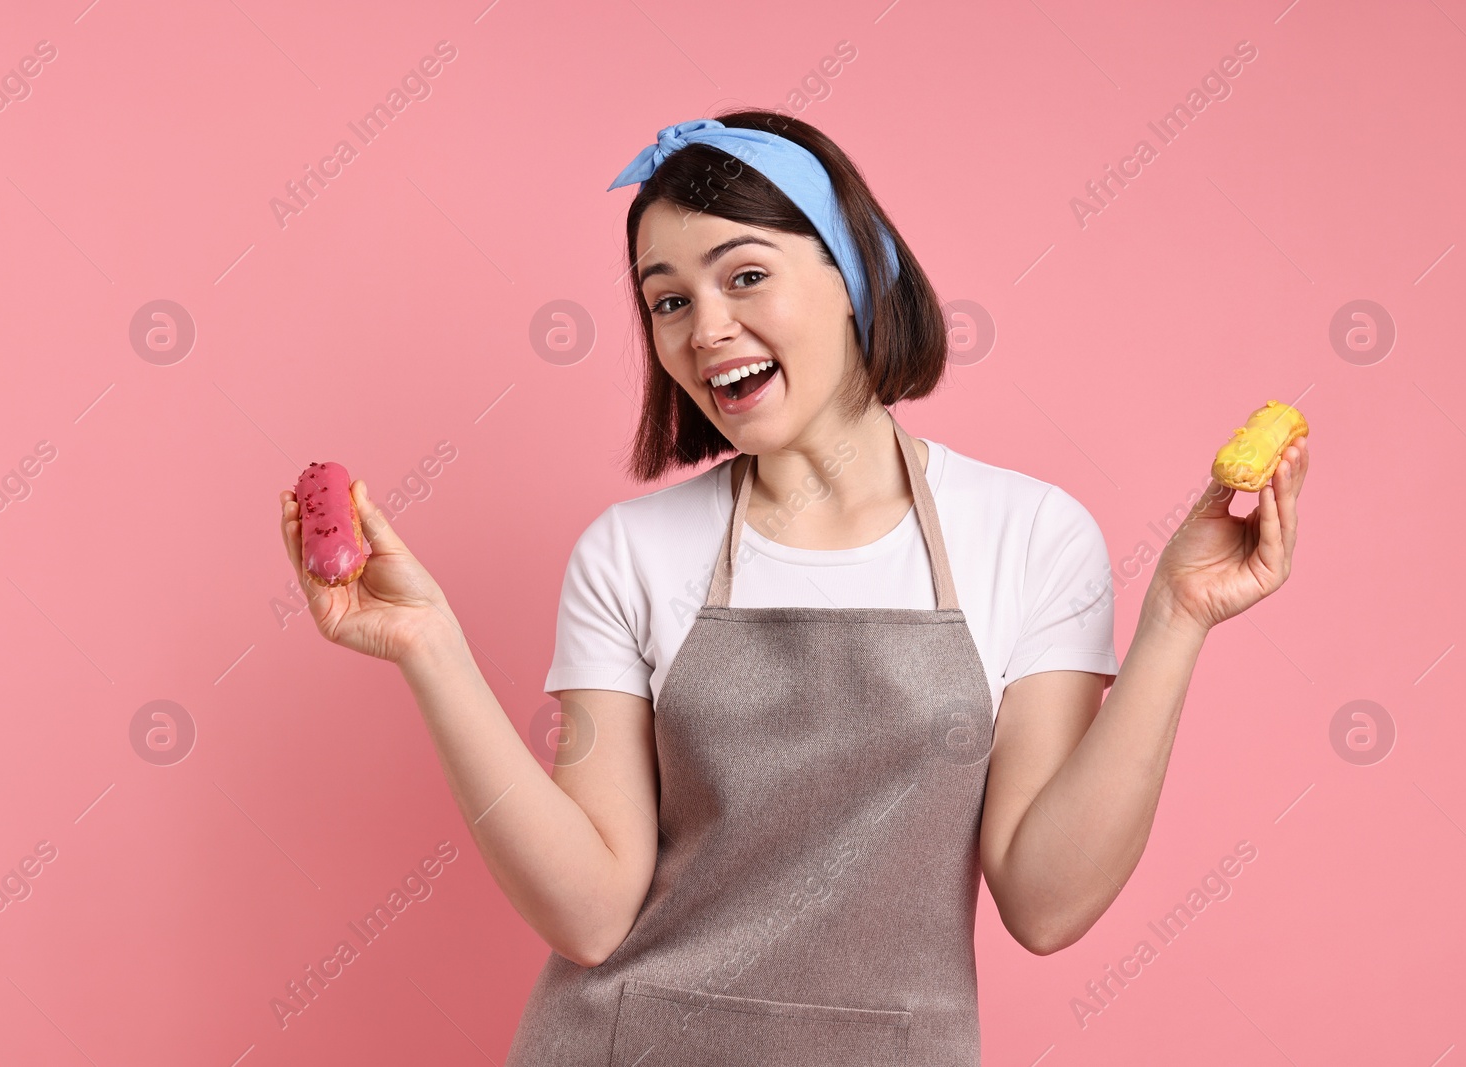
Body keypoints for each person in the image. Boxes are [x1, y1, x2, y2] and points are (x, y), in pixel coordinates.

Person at [277, 111, 1310, 1066]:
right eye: (668, 300)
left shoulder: (1030, 535)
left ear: (859, 274)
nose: (704, 327)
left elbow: (1045, 899)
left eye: (744, 276)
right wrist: (429, 648)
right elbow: (591, 911)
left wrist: (1176, 616)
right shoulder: (631, 552)